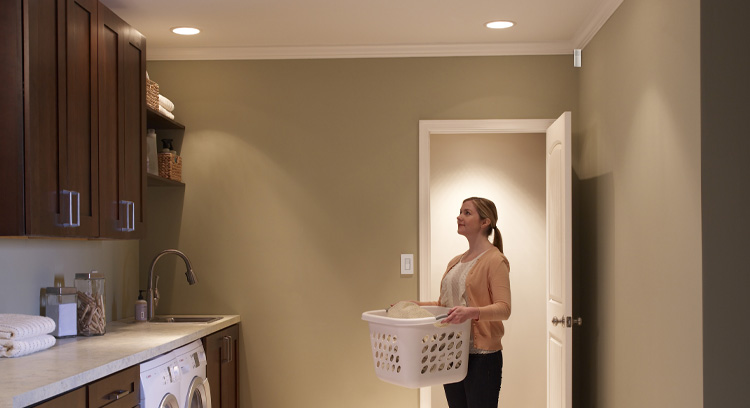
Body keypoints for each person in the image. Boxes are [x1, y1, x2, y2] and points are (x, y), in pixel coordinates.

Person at [418, 197, 511, 408]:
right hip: (452, 353)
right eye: (460, 212)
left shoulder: (495, 260)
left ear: (485, 222)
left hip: (482, 358)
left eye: (467, 213)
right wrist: (416, 305)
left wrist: (471, 313)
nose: (459, 217)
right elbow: (446, 306)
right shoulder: (456, 261)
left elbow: (504, 308)